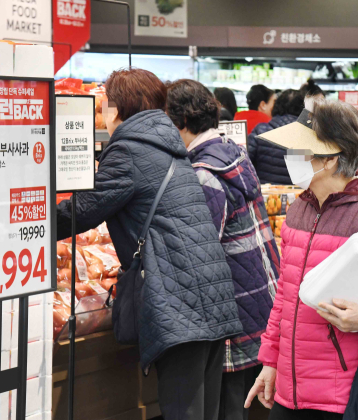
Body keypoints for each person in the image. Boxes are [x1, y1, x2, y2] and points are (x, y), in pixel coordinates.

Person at [56, 68, 242, 420]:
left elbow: (82, 210)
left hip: (179, 302)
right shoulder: (169, 145)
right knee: (204, 411)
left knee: (183, 411)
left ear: (118, 108)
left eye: (106, 104)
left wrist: (26, 220)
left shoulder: (128, 151)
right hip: (212, 296)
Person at [244, 101, 358, 419]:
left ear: (330, 160)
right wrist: (271, 360)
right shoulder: (298, 211)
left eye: (299, 151)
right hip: (291, 391)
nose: (289, 158)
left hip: (348, 393)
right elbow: (286, 297)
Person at [166, 79, 282, 420]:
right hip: (260, 293)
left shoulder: (203, 174)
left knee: (232, 404)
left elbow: (201, 250)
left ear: (182, 122)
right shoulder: (233, 152)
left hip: (234, 301)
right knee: (246, 399)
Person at [247, 89, 305, 184]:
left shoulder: (260, 131)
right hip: (299, 195)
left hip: (267, 196)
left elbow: (246, 164)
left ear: (276, 107)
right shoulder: (309, 136)